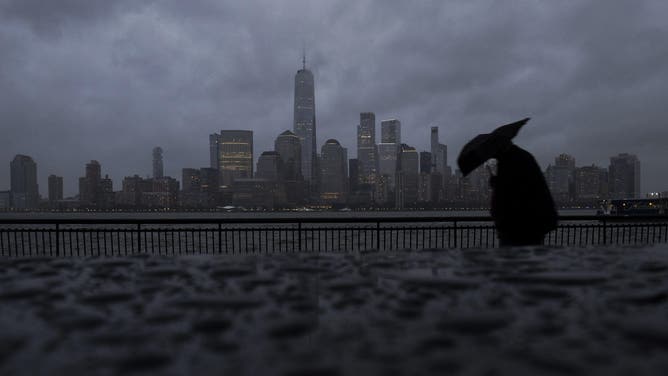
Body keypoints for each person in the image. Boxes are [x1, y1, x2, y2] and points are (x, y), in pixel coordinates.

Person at [489, 143, 557, 246]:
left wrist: (496, 183)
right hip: (531, 226)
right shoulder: (523, 158)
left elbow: (511, 192)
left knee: (514, 258)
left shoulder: (510, 161)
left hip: (515, 228)